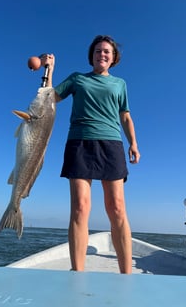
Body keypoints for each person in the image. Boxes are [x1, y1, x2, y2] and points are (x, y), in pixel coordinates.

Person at [41, 35, 140, 274]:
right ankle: (78, 274)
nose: (102, 54)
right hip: (80, 143)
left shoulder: (120, 84)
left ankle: (126, 275)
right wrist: (49, 70)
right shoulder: (77, 79)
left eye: (107, 51)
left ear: (113, 57)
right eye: (98, 51)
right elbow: (49, 98)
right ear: (92, 56)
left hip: (111, 145)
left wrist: (133, 144)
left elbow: (125, 116)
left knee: (116, 208)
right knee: (80, 208)